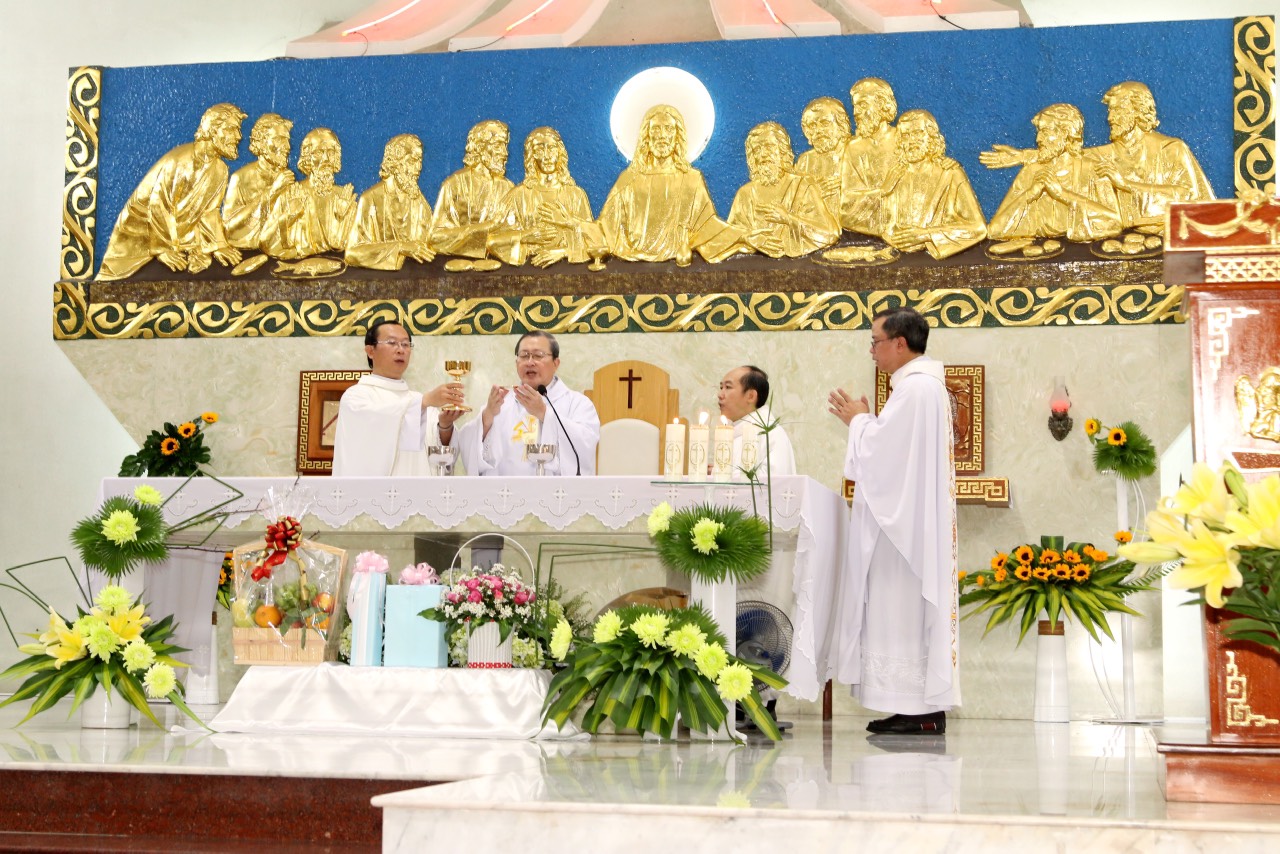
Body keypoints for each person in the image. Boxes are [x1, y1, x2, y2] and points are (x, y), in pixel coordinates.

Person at [826, 306, 959, 735]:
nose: (872, 351)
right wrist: (867, 421)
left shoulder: (916, 389)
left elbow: (883, 456)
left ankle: (920, 710)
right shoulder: (919, 387)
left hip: (903, 533)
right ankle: (913, 706)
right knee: (899, 614)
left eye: (875, 342)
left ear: (900, 343)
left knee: (900, 611)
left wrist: (858, 421)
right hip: (907, 524)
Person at [98, 102, 247, 280]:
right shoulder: (180, 161)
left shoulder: (220, 169)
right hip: (139, 235)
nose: (238, 136)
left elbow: (209, 211)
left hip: (177, 236)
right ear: (212, 130)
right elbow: (159, 205)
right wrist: (163, 249)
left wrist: (218, 245)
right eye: (231, 129)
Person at [598, 104, 731, 265]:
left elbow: (707, 225)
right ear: (646, 136)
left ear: (678, 136)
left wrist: (744, 236)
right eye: (656, 129)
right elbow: (605, 227)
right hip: (634, 262)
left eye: (668, 129)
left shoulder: (692, 179)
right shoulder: (629, 180)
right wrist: (576, 226)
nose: (662, 135)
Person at [454, 331, 600, 476]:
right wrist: (487, 417)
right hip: (506, 490)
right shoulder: (500, 402)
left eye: (538, 355)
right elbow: (468, 444)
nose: (530, 362)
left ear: (556, 363)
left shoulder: (578, 404)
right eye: (524, 356)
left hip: (554, 490)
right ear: (516, 363)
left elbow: (585, 445)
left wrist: (544, 413)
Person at [331, 319, 465, 476]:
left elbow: (440, 458)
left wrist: (445, 426)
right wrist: (423, 402)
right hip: (375, 491)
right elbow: (372, 435)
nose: (401, 350)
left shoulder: (418, 402)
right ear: (370, 350)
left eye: (406, 344)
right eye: (392, 343)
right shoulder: (356, 397)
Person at [984, 103, 1122, 245]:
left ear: (1066, 133)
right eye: (1039, 131)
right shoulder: (1030, 173)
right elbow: (994, 231)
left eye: (1045, 132)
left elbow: (1114, 223)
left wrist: (1063, 194)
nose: (1038, 139)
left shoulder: (1094, 171)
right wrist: (1028, 196)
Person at [875, 110, 987, 260]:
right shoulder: (894, 174)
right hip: (894, 255)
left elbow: (978, 228)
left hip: (934, 258)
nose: (911, 141)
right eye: (906, 135)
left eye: (917, 133)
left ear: (931, 137)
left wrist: (926, 235)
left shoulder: (950, 174)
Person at [490, 126, 601, 267]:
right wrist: (526, 236)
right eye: (540, 150)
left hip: (569, 268)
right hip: (528, 268)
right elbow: (492, 242)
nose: (547, 156)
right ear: (531, 156)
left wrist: (563, 251)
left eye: (552, 149)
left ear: (560, 153)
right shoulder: (519, 195)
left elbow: (595, 240)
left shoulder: (575, 194)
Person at [726, 122, 839, 259]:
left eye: (769, 147)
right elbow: (730, 237)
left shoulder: (802, 186)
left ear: (782, 150)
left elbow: (829, 234)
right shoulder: (745, 194)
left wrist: (787, 218)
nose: (763, 154)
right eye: (757, 150)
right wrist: (751, 239)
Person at [261, 127, 358, 259]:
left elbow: (350, 244)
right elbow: (266, 243)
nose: (326, 159)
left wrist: (340, 220)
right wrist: (288, 217)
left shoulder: (344, 197)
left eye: (331, 152)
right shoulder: (292, 194)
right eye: (318, 153)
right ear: (307, 158)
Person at [344, 134, 435, 271]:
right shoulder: (370, 199)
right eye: (412, 161)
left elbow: (430, 243)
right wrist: (401, 247)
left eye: (420, 161)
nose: (419, 167)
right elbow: (352, 253)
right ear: (395, 164)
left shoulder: (418, 200)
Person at [430, 119, 514, 259]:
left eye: (505, 145)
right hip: (456, 265)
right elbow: (435, 239)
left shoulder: (507, 188)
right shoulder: (454, 185)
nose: (505, 153)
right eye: (498, 145)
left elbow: (515, 234)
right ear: (480, 147)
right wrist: (488, 227)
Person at [222, 112, 295, 251]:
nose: (287, 146)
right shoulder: (240, 178)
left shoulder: (288, 179)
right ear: (261, 143)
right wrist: (272, 192)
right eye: (279, 139)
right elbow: (229, 230)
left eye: (287, 140)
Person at [839, 78, 899, 236]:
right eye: (854, 106)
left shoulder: (903, 140)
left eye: (862, 105)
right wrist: (881, 192)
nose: (855, 113)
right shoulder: (852, 148)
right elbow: (845, 205)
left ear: (882, 104)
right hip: (862, 232)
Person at [717, 365, 796, 477]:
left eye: (728, 387)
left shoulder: (771, 434)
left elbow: (774, 482)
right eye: (721, 388)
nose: (720, 395)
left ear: (751, 396)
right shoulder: (730, 434)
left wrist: (722, 475)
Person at [795, 96, 851, 222]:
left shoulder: (857, 151)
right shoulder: (805, 161)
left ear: (841, 124)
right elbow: (794, 205)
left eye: (825, 123)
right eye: (812, 126)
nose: (818, 131)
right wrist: (813, 194)